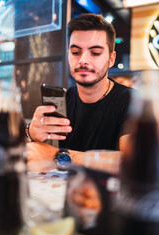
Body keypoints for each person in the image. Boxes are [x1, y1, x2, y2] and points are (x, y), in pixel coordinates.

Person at [26, 13, 133, 168]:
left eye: (95, 53)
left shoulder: (130, 100)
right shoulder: (63, 100)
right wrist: (31, 133)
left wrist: (58, 156)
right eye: (76, 52)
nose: (83, 60)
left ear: (111, 59)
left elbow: (133, 162)